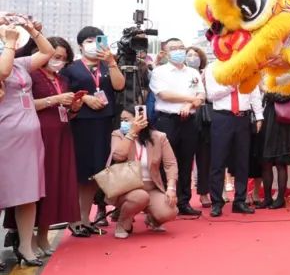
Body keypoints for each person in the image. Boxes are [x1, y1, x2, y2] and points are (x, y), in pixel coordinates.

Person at [2, 36, 81, 256]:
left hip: (48, 135)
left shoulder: (53, 76)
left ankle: (35, 240)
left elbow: (65, 109)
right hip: (21, 134)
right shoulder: (23, 71)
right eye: (56, 57)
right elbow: (17, 96)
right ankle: (21, 237)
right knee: (16, 189)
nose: (59, 61)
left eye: (63, 59)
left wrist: (73, 105)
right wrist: (53, 101)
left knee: (42, 189)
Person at [0, 17, 55, 267]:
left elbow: (48, 51)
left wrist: (31, 30)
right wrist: (9, 43)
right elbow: (3, 71)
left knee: (28, 192)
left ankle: (25, 245)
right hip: (6, 135)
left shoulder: (22, 63)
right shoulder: (7, 60)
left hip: (29, 135)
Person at [63, 26, 126, 236]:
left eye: (96, 39)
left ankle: (84, 218)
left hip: (103, 123)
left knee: (94, 174)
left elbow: (119, 86)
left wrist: (112, 62)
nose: (93, 44)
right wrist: (84, 97)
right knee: (78, 173)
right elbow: (63, 93)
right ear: (80, 45)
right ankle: (73, 220)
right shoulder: (71, 68)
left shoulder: (108, 66)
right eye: (88, 41)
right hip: (80, 124)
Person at [148, 38, 205, 217]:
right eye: (174, 48)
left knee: (186, 161)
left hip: (189, 120)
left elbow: (201, 95)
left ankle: (184, 202)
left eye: (181, 47)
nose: (179, 51)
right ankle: (165, 202)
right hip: (167, 120)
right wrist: (190, 99)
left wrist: (191, 105)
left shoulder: (192, 72)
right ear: (165, 52)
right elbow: (165, 95)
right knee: (166, 162)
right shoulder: (159, 72)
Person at [203, 61, 263, 216]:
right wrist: (232, 85)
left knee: (242, 161)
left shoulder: (246, 64)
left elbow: (254, 91)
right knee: (218, 161)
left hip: (243, 117)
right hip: (222, 117)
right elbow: (211, 94)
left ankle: (240, 201)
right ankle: (217, 202)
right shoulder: (214, 68)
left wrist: (259, 116)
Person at [109, 108, 179, 238]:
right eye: (121, 120)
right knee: (140, 197)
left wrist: (171, 188)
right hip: (126, 188)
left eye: (126, 120)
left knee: (171, 211)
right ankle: (123, 220)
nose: (123, 123)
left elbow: (171, 164)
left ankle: (153, 219)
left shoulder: (159, 137)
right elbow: (118, 156)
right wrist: (131, 133)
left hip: (151, 188)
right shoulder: (118, 134)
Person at [257, 92, 290, 209]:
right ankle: (267, 198)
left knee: (281, 163)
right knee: (266, 162)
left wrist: (267, 91)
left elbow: (285, 96)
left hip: (282, 121)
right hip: (268, 118)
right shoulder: (270, 76)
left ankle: (280, 198)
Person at [186, 46, 213, 208]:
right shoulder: (180, 74)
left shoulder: (207, 73)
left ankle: (204, 192)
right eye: (188, 55)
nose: (192, 58)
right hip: (184, 116)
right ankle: (183, 195)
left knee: (204, 158)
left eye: (195, 55)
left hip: (204, 119)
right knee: (184, 158)